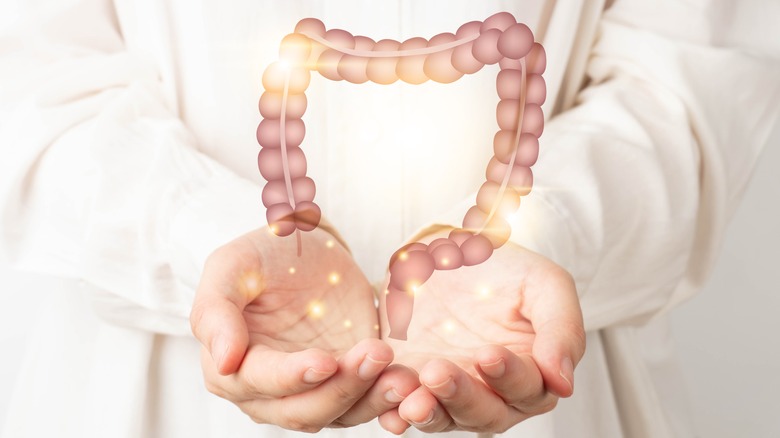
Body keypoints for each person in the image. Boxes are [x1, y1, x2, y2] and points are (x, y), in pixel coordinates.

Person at [0, 0, 777, 437]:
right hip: (138, 401)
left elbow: (692, 80)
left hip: (547, 385)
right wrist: (202, 235)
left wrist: (540, 234)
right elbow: (27, 76)